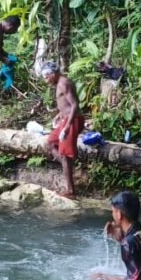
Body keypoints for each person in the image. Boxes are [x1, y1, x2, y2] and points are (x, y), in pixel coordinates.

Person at [42, 62, 84, 198]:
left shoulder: (63, 83)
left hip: (72, 121)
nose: (46, 80)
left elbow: (74, 105)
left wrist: (66, 127)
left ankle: (71, 191)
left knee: (65, 156)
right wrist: (60, 115)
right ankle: (68, 164)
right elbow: (66, 104)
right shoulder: (60, 82)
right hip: (65, 119)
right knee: (50, 143)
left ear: (52, 74)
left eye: (46, 77)